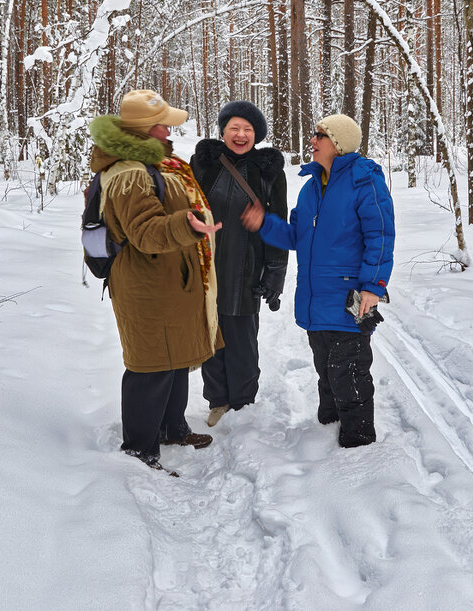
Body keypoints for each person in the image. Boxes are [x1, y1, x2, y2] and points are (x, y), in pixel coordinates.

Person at [88, 89, 222, 474]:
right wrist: (188, 224)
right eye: (164, 125)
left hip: (168, 281)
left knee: (173, 358)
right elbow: (145, 233)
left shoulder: (153, 164)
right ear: (147, 130)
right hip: (147, 285)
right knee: (151, 367)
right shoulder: (130, 174)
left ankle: (172, 428)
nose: (170, 131)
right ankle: (140, 448)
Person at [240, 114, 394, 448]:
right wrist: (264, 223)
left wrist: (373, 286)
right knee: (326, 371)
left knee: (349, 374)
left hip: (347, 300)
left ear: (337, 144)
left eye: (319, 135)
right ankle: (328, 429)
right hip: (315, 301)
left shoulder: (362, 181)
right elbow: (296, 235)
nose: (312, 141)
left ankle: (359, 445)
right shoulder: (311, 187)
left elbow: (380, 234)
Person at [191, 101, 288, 427]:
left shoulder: (268, 171)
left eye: (247, 129)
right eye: (234, 128)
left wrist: (275, 274)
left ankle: (244, 405)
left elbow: (279, 222)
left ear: (256, 135)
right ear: (223, 131)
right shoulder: (204, 165)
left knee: (243, 341)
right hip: (207, 266)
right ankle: (217, 401)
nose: (241, 134)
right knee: (212, 336)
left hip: (248, 267)